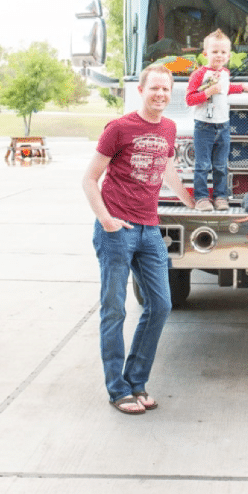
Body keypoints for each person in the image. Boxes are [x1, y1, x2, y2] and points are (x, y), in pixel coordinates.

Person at [82, 64, 195, 415]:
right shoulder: (118, 128)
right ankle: (118, 390)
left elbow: (166, 169)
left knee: (160, 305)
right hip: (118, 230)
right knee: (114, 309)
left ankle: (137, 381)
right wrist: (106, 219)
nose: (161, 94)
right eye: (154, 89)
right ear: (141, 91)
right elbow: (89, 179)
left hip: (150, 229)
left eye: (166, 89)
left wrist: (191, 200)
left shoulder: (170, 127)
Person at [185, 29, 248, 211]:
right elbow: (189, 99)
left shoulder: (225, 73)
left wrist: (243, 87)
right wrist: (208, 92)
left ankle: (220, 197)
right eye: (214, 51)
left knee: (220, 165)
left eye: (223, 52)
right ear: (205, 54)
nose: (219, 55)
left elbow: (226, 88)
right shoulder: (198, 75)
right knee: (202, 164)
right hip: (204, 126)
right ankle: (202, 198)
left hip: (223, 126)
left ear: (228, 55)